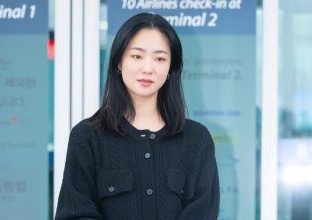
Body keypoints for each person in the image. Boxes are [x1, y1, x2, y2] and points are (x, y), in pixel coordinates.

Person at [55, 12, 219, 220]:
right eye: (137, 56)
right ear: (119, 63)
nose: (147, 68)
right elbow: (74, 214)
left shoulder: (197, 139)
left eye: (160, 58)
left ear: (170, 68)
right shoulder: (87, 137)